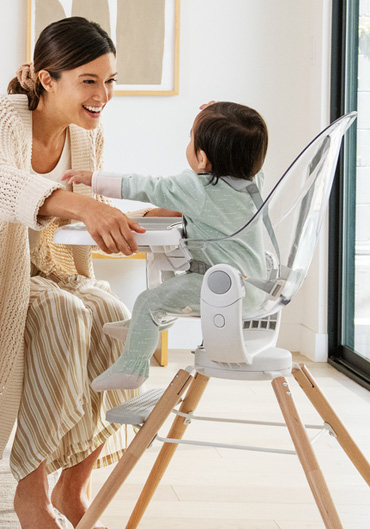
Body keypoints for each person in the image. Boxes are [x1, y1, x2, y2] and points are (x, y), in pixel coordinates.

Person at [0, 17, 174, 529]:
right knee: (65, 317)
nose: (103, 96)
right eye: (90, 81)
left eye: (111, 81)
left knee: (118, 316)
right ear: (48, 79)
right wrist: (81, 203)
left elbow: (85, 206)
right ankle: (31, 494)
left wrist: (142, 214)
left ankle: (72, 487)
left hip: (49, 270)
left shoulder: (86, 136)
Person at [62, 101, 270, 391]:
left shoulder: (199, 188)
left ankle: (132, 367)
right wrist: (219, 113)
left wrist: (93, 180)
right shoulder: (255, 183)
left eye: (191, 137)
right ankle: (143, 328)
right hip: (256, 288)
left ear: (202, 159)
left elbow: (147, 185)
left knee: (148, 301)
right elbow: (243, 145)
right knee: (169, 284)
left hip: (220, 290)